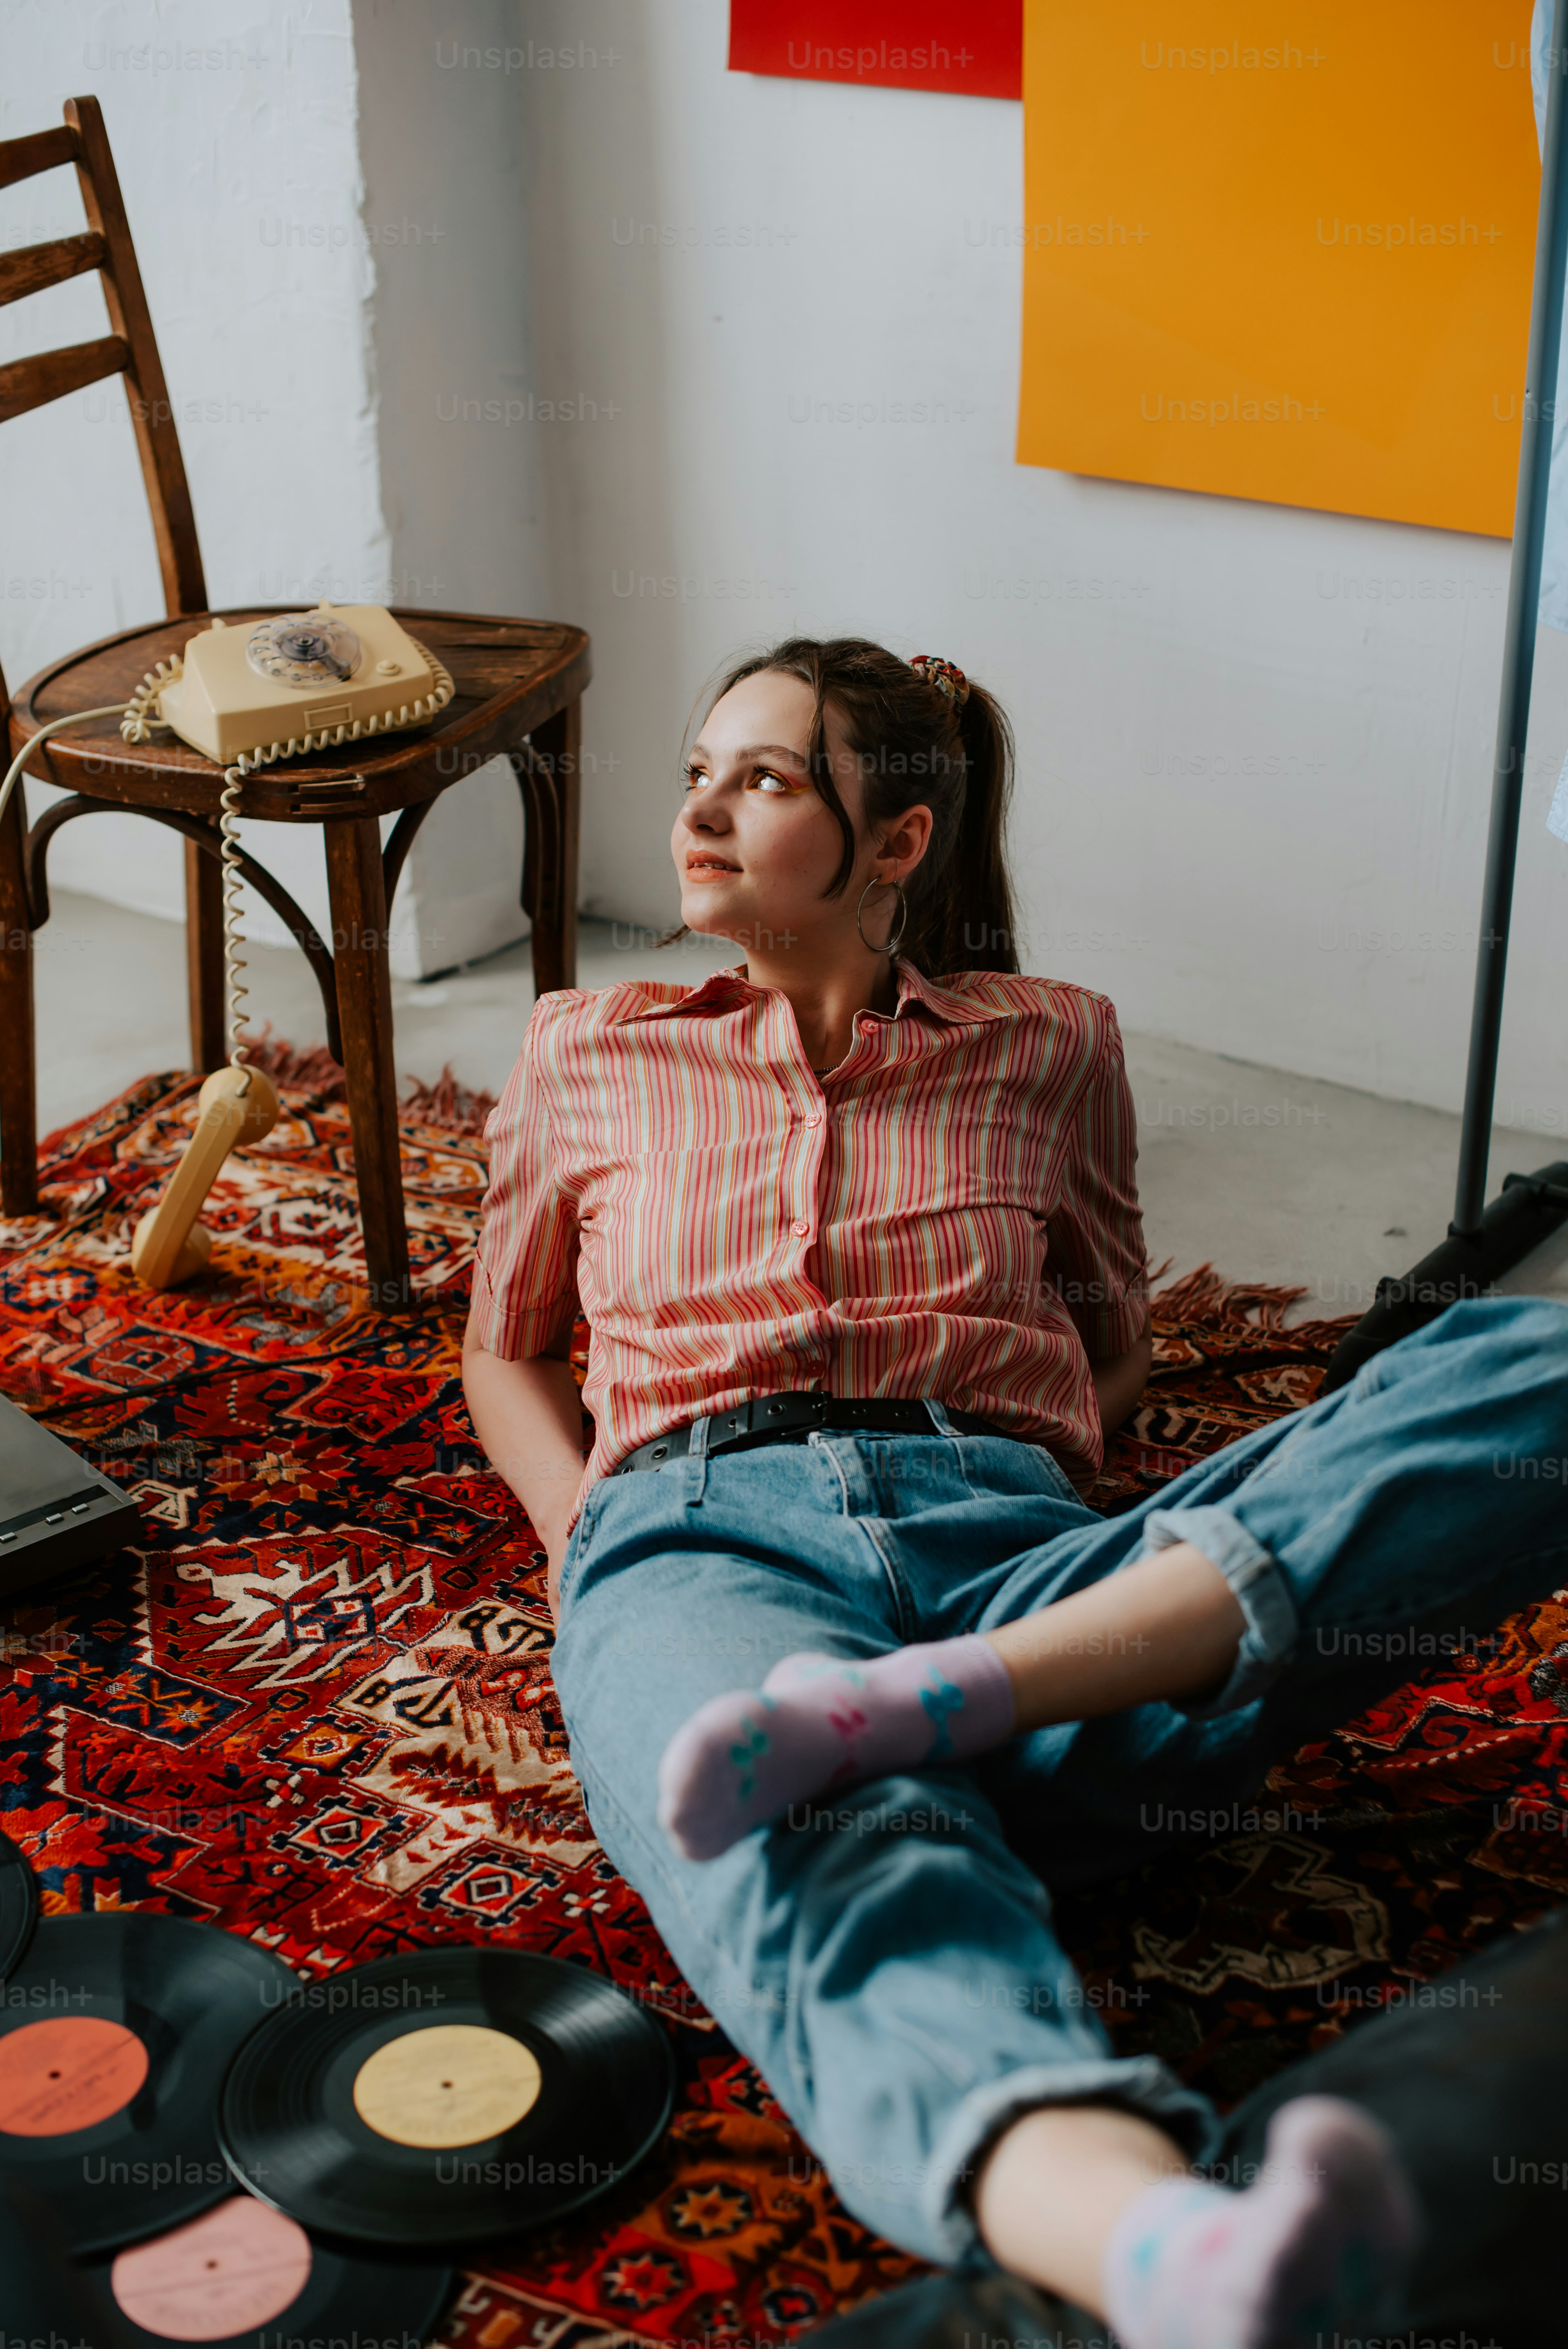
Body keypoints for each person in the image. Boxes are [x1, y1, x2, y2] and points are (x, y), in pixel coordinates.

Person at [463, 636, 1567, 2348]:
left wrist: (1063, 1466)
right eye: (697, 772)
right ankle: (1164, 2251)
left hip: (1027, 1569)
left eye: (760, 779)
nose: (698, 810)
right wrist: (584, 1540)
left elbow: (1110, 1337)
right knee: (816, 1828)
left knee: (1514, 1372)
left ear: (893, 845)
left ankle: (938, 1699)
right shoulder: (582, 1049)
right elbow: (504, 1352)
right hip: (703, 1536)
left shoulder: (1051, 1044)